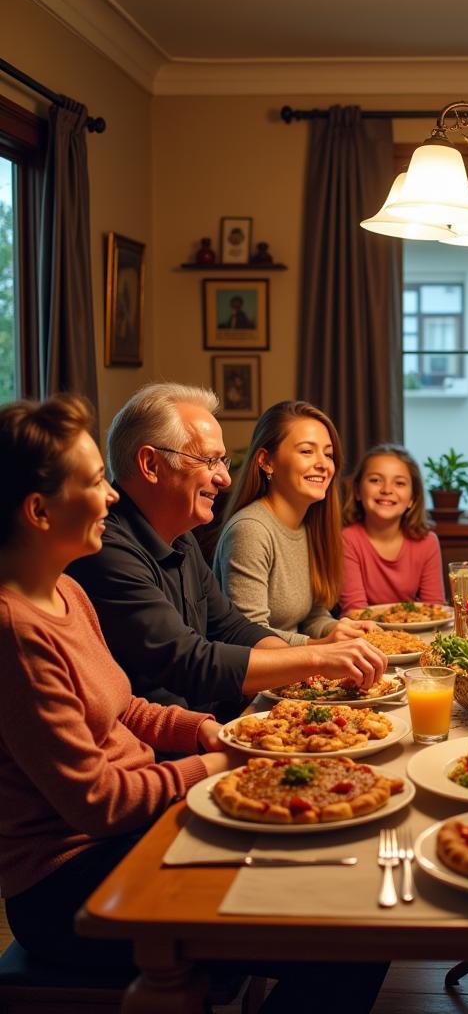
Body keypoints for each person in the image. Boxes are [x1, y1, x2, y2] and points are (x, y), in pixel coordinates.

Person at [0, 393, 388, 1013]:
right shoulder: (16, 631)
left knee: (340, 876)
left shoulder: (67, 591)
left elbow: (127, 707)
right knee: (348, 934)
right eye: (95, 481)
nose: (110, 497)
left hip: (140, 821)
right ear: (39, 511)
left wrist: (209, 732)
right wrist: (217, 766)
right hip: (70, 879)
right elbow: (97, 802)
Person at [68, 383, 386, 718]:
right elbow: (187, 661)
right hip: (165, 748)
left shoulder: (181, 537)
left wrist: (312, 667)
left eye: (221, 461)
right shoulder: (106, 550)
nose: (225, 478)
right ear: (150, 464)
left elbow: (233, 627)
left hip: (210, 722)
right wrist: (317, 659)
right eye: (209, 460)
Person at [214, 400, 362, 645]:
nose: (323, 464)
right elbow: (247, 635)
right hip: (254, 676)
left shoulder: (309, 526)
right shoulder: (250, 530)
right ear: (266, 461)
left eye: (329, 454)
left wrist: (341, 630)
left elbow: (312, 616)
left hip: (295, 670)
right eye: (306, 451)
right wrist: (321, 647)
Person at [340, 443, 445, 614]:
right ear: (358, 491)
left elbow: (435, 609)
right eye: (375, 480)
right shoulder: (346, 540)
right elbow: (355, 612)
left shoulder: (428, 542)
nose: (387, 490)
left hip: (417, 636)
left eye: (399, 483)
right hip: (361, 636)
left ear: (412, 498)